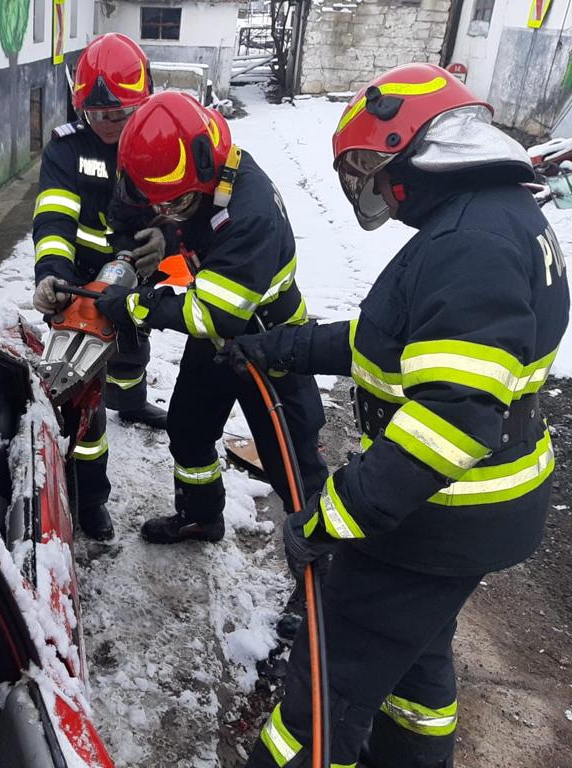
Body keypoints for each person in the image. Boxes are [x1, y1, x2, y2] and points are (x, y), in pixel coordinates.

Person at [230, 63, 569, 768]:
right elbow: (393, 339)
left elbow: (450, 420)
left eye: (372, 170)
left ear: (410, 149)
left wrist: (332, 516)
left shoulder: (468, 244)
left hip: (434, 519)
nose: (376, 190)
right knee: (416, 660)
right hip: (477, 511)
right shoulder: (497, 218)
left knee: (326, 690)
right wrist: (282, 348)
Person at [95, 90, 328, 544]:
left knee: (294, 465)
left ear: (206, 172)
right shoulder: (205, 181)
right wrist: (164, 235)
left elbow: (214, 314)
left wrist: (134, 306)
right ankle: (201, 517)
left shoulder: (250, 213)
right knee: (188, 429)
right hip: (219, 344)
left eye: (173, 206)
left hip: (271, 347)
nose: (165, 212)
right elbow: (184, 218)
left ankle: (320, 563)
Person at [32, 32, 169, 540]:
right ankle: (90, 498)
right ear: (80, 106)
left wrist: (167, 241)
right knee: (84, 402)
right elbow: (54, 219)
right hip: (79, 286)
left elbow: (182, 202)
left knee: (132, 352)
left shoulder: (160, 137)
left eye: (122, 113)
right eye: (99, 114)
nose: (110, 123)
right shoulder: (68, 148)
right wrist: (52, 275)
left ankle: (130, 400)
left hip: (138, 276)